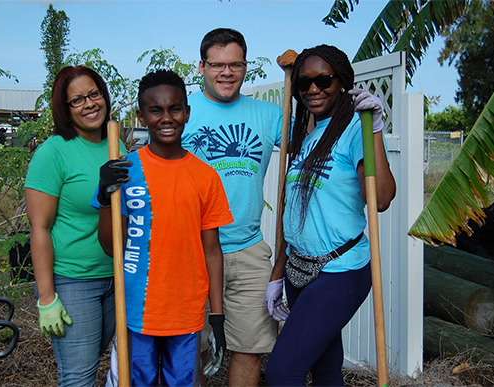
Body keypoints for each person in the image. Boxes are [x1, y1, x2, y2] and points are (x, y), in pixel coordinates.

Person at [265, 45, 396, 386]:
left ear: (342, 83)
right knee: (324, 369)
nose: (313, 90)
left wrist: (375, 129)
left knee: (282, 371)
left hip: (340, 271)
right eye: (304, 84)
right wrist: (277, 273)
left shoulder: (355, 129)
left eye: (323, 80)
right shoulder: (307, 136)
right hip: (297, 269)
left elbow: (381, 198)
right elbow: (294, 217)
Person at [95, 69, 234, 386]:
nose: (166, 118)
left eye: (174, 108)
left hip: (185, 311)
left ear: (187, 112)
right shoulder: (124, 171)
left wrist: (217, 315)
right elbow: (109, 245)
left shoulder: (205, 176)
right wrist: (105, 198)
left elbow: (212, 251)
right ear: (142, 117)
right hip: (135, 310)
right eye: (155, 110)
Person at [180, 28, 284, 386]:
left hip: (247, 249)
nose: (227, 72)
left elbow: (316, 141)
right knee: (192, 348)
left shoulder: (271, 115)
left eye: (235, 64)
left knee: (249, 348)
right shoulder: (182, 113)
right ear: (201, 66)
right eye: (217, 64)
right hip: (190, 250)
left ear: (245, 67)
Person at [25, 66, 126, 387]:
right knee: (79, 377)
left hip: (117, 278)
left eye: (94, 94)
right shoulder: (53, 153)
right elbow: (39, 228)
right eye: (77, 100)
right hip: (74, 282)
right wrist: (46, 298)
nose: (90, 104)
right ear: (64, 109)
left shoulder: (116, 146)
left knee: (96, 358)